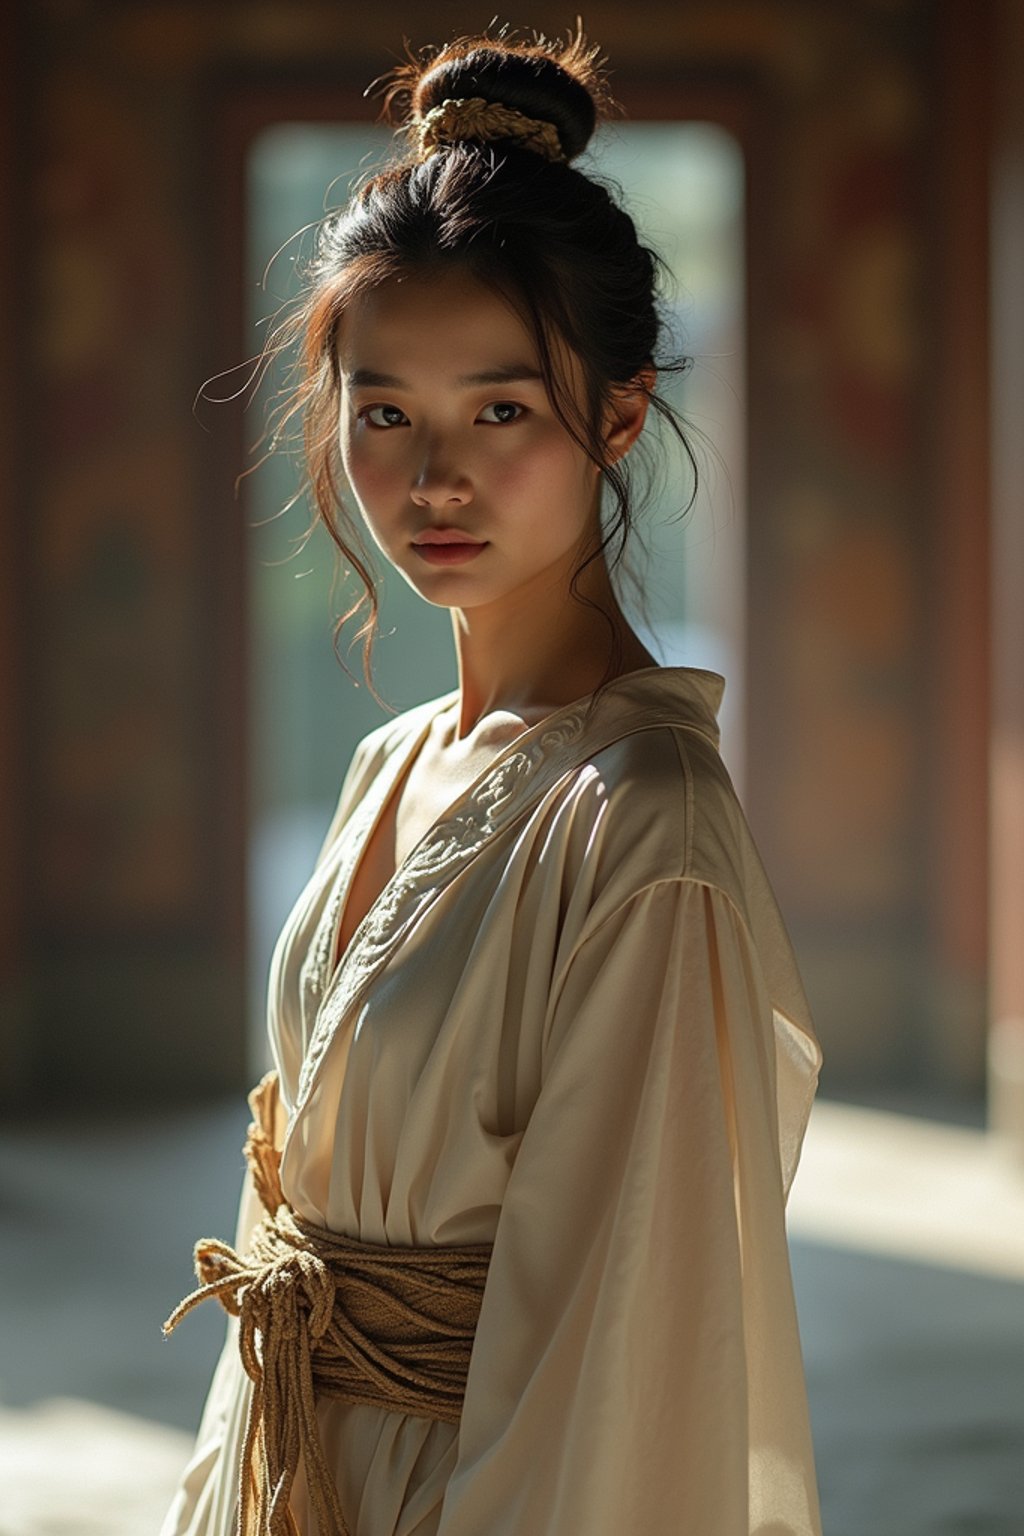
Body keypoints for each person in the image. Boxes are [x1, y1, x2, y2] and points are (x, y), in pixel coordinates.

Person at [160, 24, 824, 1536]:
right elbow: (290, 1239)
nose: (433, 477)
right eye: (385, 412)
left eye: (501, 409)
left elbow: (636, 1352)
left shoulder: (642, 825)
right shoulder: (394, 762)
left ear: (620, 414)